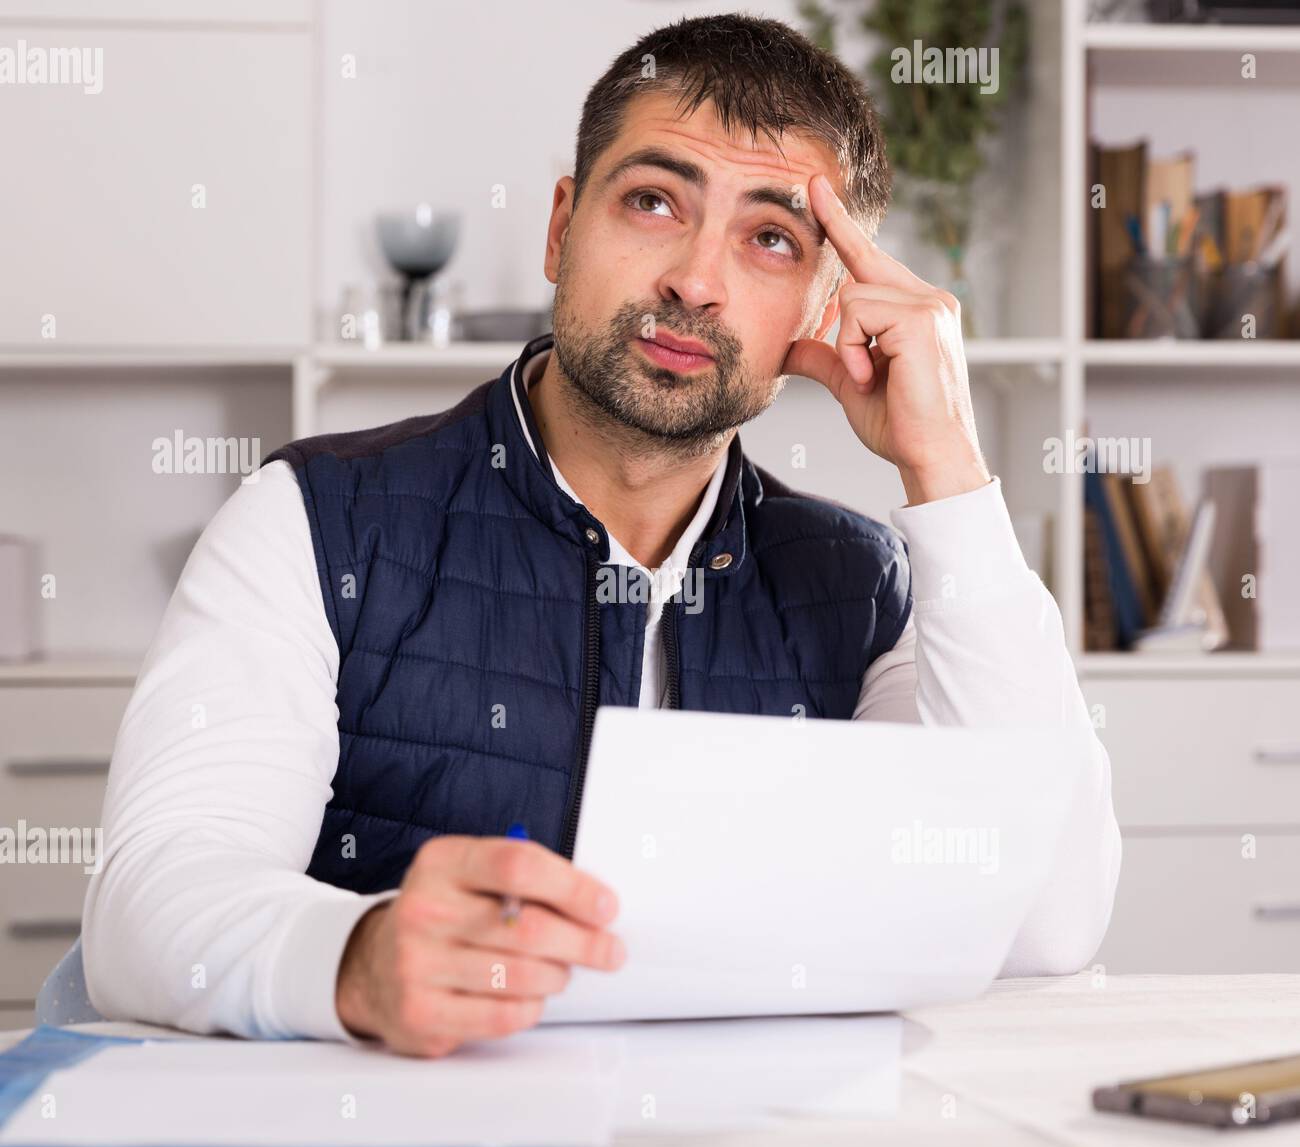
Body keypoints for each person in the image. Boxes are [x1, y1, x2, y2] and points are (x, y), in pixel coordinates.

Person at [83, 13, 1121, 1057]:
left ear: (820, 305)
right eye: (653, 201)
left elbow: (1045, 923)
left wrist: (948, 477)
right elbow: (149, 904)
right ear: (560, 228)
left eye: (770, 238)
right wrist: (353, 954)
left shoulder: (862, 587)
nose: (694, 280)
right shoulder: (316, 522)